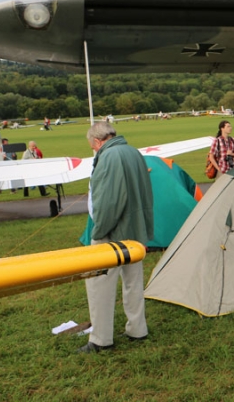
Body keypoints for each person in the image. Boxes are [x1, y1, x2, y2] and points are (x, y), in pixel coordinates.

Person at [79, 121, 154, 353]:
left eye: (92, 146)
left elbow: (108, 202)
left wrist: (99, 230)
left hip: (113, 233)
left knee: (98, 283)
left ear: (97, 141)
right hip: (136, 230)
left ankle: (101, 339)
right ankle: (137, 329)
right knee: (133, 281)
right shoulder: (133, 152)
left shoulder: (109, 157)